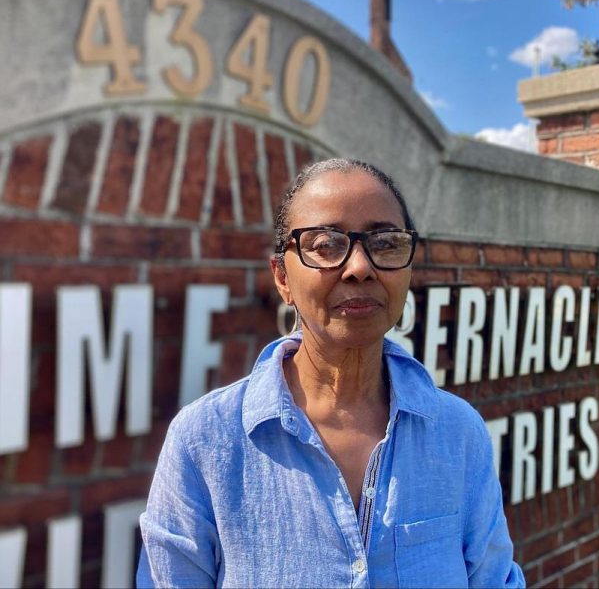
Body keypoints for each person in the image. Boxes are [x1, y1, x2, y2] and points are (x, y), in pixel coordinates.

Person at [136, 158, 525, 588]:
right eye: (325, 244)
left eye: (386, 243)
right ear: (282, 277)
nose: (359, 267)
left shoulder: (457, 432)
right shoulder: (206, 440)